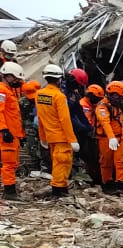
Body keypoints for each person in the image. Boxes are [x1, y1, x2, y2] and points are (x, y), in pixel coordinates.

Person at [35, 64, 77, 198]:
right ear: (59, 79)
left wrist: (42, 137)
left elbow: (40, 117)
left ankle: (62, 187)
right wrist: (73, 140)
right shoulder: (59, 96)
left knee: (57, 162)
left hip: (50, 136)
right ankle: (58, 190)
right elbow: (65, 120)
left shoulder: (39, 94)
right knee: (63, 163)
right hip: (61, 137)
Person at [63, 69, 99, 187]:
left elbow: (78, 112)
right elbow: (66, 114)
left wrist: (88, 127)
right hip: (62, 125)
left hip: (72, 124)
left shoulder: (75, 94)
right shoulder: (62, 92)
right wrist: (81, 127)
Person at [95, 82, 123, 195]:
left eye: (119, 96)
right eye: (115, 96)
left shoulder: (118, 106)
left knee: (122, 161)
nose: (117, 98)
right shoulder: (102, 107)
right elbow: (105, 123)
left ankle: (121, 184)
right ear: (109, 94)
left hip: (121, 137)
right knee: (106, 162)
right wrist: (111, 137)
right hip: (105, 139)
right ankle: (107, 184)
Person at [0, 62, 24, 199]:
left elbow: (13, 116)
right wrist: (3, 129)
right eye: (15, 78)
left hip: (12, 133)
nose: (17, 81)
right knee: (9, 163)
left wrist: (21, 135)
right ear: (6, 76)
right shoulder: (2, 91)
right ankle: (9, 192)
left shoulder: (8, 91)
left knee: (11, 162)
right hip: (7, 133)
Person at [18, 79, 43, 177]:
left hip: (42, 126)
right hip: (29, 128)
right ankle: (34, 167)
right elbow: (19, 118)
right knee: (31, 148)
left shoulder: (42, 98)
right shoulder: (22, 102)